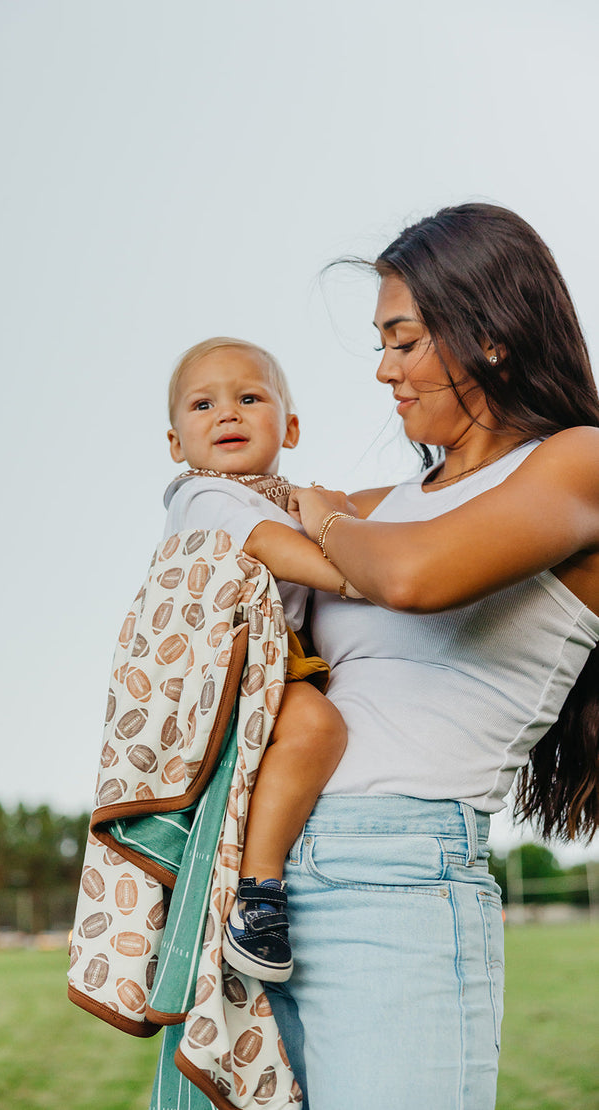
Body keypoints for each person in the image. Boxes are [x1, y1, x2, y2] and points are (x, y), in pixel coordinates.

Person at [262, 202, 599, 1110]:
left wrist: (323, 512)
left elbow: (414, 578)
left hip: (398, 879)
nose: (384, 371)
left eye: (404, 341)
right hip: (269, 874)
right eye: (382, 343)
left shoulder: (578, 463)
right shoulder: (389, 504)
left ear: (488, 334)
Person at [163, 336, 357, 982]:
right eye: (203, 404)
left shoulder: (287, 497)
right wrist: (371, 572)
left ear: (290, 426)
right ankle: (259, 897)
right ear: (175, 443)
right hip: (230, 657)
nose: (228, 414)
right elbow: (279, 551)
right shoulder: (202, 496)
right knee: (317, 728)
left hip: (271, 654)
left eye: (250, 398)